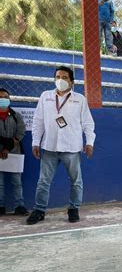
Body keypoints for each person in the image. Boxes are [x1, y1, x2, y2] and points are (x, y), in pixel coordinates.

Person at [27, 66, 95, 225]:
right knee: (43, 181)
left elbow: (88, 123)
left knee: (76, 181)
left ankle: (73, 209)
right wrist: (35, 142)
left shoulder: (80, 99)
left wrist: (90, 142)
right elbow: (38, 121)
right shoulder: (45, 96)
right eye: (58, 76)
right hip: (49, 146)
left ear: (71, 82)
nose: (60, 80)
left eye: (65, 77)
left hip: (72, 148)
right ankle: (39, 210)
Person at [0, 88, 28, 216]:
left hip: (14, 153)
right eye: (0, 97)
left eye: (5, 97)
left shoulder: (17, 116)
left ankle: (19, 206)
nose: (3, 99)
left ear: (9, 99)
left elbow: (20, 133)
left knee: (17, 181)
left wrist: (7, 148)